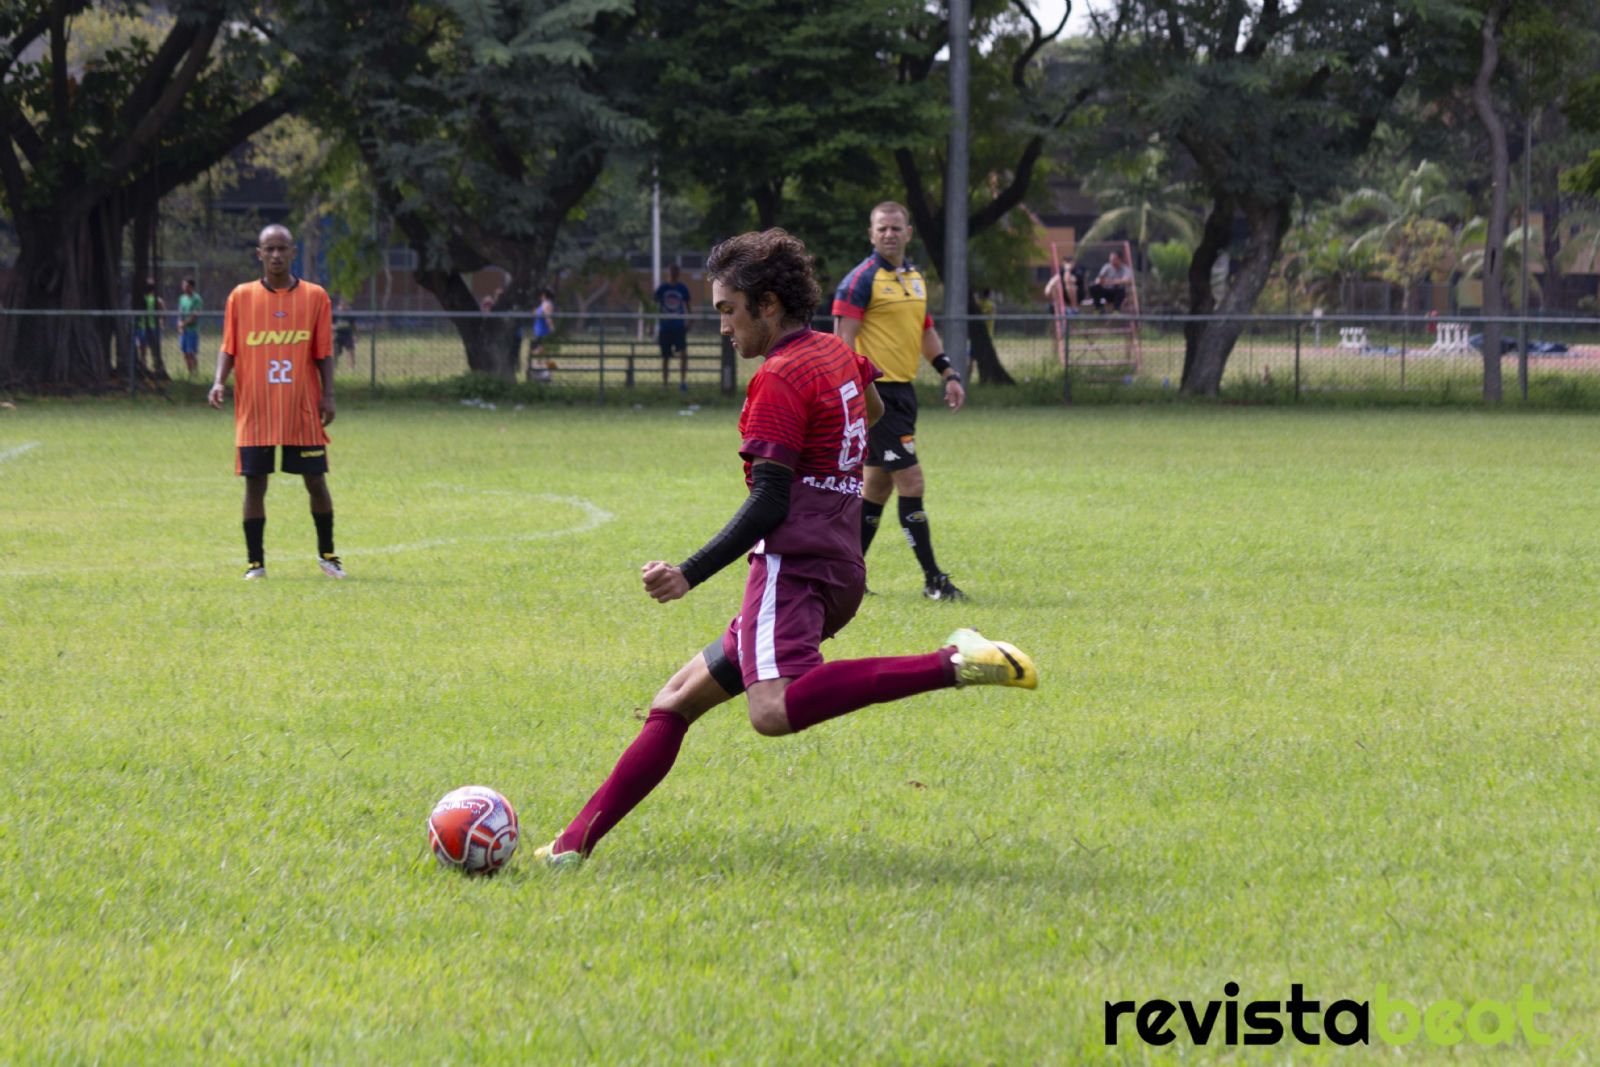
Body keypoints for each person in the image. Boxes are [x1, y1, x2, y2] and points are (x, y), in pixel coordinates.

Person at [529, 229, 1036, 869]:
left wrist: (688, 573)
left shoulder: (779, 377)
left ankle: (953, 661)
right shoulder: (832, 352)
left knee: (772, 710)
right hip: (839, 561)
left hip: (791, 570)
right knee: (675, 700)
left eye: (726, 310)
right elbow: (874, 408)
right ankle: (571, 848)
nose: (721, 326)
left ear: (767, 304)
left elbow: (770, 501)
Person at [832, 201, 968, 602]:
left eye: (896, 227)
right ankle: (934, 581)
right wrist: (854, 396)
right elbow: (843, 343)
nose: (889, 234)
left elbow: (924, 330)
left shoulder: (915, 278)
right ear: (870, 233)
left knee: (876, 487)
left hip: (904, 393)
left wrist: (948, 372)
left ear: (909, 232)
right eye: (881, 228)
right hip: (877, 395)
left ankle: (845, 577)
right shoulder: (860, 280)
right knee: (911, 480)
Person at [207, 224, 343, 581]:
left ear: (293, 252)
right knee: (255, 484)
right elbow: (229, 346)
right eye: (270, 249)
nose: (277, 255)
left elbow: (324, 353)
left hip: (301, 407)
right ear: (260, 254)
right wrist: (219, 381)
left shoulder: (315, 297)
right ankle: (256, 564)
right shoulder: (241, 297)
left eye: (283, 248)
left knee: (316, 480)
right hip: (257, 409)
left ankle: (329, 556)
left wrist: (328, 394)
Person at [654, 264, 693, 390]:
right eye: (672, 272)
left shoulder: (682, 288)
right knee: (665, 356)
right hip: (665, 327)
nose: (674, 275)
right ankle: (665, 383)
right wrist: (652, 325)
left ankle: (682, 382)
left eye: (676, 272)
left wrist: (689, 321)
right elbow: (654, 307)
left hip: (678, 326)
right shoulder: (662, 289)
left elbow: (688, 307)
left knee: (683, 354)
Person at [134, 277, 165, 375]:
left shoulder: (142, 299)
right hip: (151, 327)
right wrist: (161, 320)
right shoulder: (157, 299)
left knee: (142, 348)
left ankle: (144, 365)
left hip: (143, 326)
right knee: (153, 348)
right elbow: (163, 309)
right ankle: (155, 366)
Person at [176, 277, 202, 377]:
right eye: (183, 285)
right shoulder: (182, 298)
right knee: (185, 353)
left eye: (186, 285)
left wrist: (184, 323)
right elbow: (180, 313)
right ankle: (190, 373)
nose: (184, 287)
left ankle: (195, 374)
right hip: (184, 331)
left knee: (191, 353)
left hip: (192, 330)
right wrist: (179, 325)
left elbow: (195, 315)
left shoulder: (197, 299)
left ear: (191, 287)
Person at [528, 288, 555, 381]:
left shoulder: (547, 304)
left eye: (541, 294)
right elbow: (536, 313)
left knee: (544, 353)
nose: (540, 296)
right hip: (538, 332)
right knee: (539, 353)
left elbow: (548, 318)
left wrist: (552, 329)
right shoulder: (542, 304)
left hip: (543, 332)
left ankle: (549, 374)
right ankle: (540, 374)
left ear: (544, 295)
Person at [334, 298, 358, 370]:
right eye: (342, 305)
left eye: (345, 305)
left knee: (351, 351)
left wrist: (356, 335)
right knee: (335, 352)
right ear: (339, 305)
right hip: (338, 335)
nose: (344, 307)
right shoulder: (335, 313)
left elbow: (354, 325)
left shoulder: (349, 314)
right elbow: (330, 324)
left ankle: (352, 368)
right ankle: (334, 367)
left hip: (348, 335)